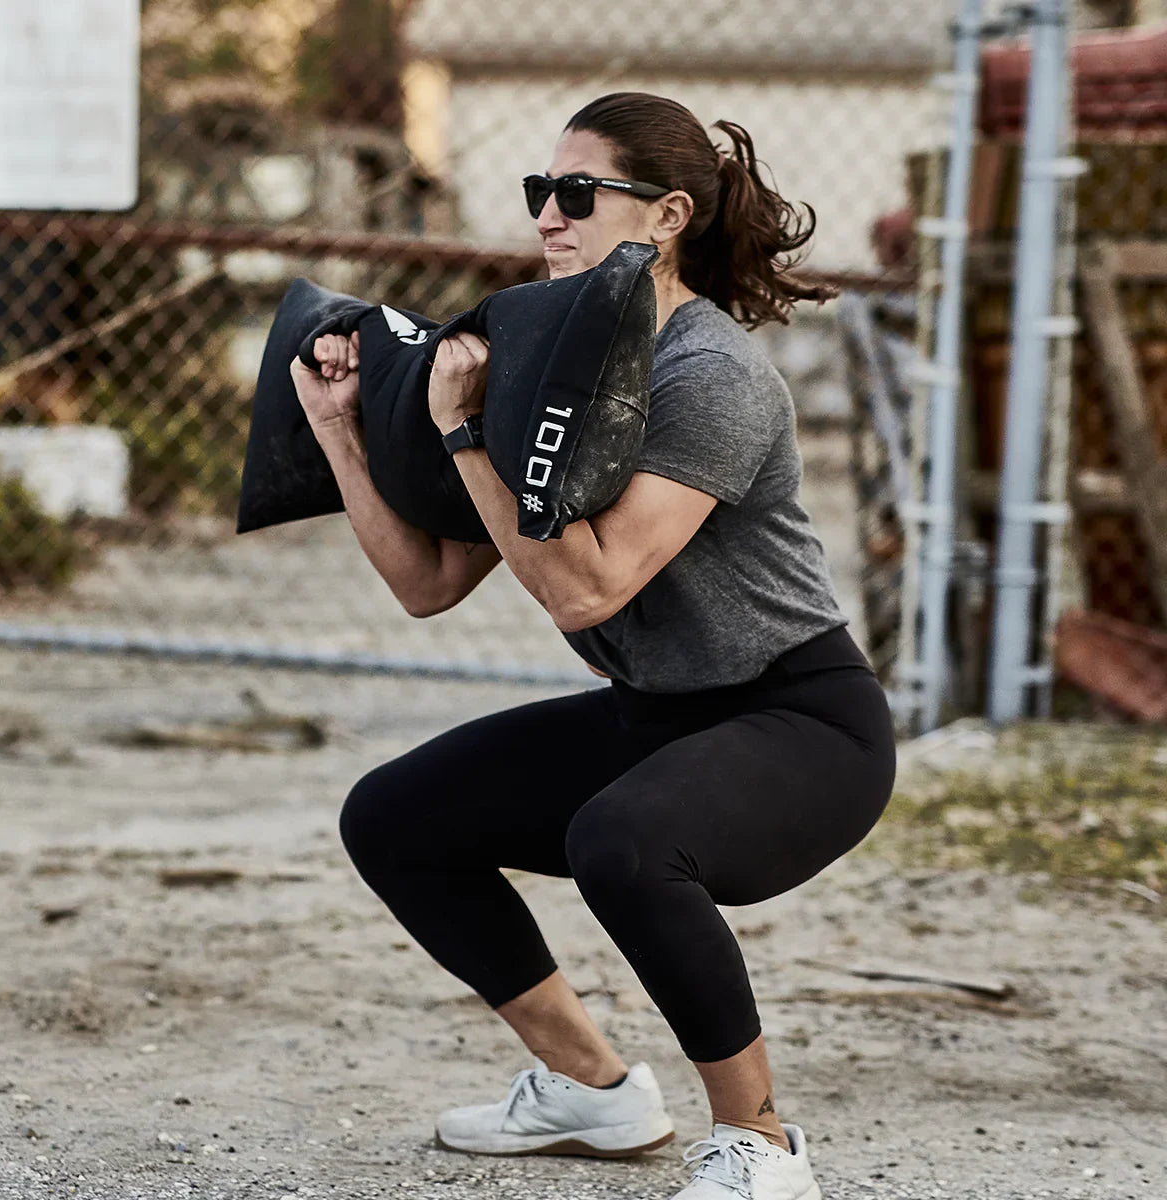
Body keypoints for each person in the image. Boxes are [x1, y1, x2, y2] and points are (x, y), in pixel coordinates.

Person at [290, 91, 895, 1200]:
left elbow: (590, 584)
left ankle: (761, 1144)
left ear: (667, 217)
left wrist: (463, 429)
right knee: (393, 816)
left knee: (625, 839)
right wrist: (340, 434)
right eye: (540, 195)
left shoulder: (710, 377)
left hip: (800, 721)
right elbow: (430, 583)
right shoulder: (546, 358)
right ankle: (594, 1091)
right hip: (655, 712)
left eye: (577, 195)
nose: (549, 219)